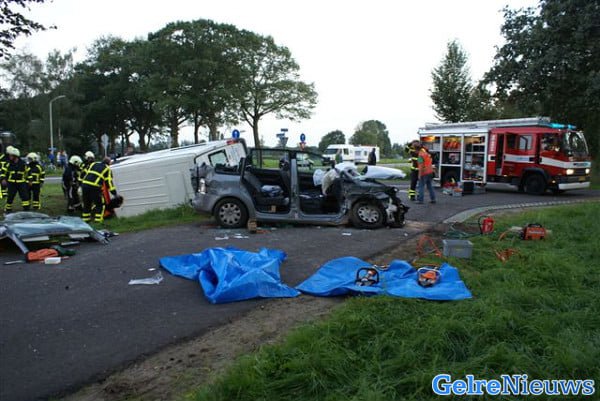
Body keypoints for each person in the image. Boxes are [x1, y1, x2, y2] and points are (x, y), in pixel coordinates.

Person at [80, 156, 118, 223]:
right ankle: (98, 221)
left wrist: (80, 182)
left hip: (85, 185)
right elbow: (109, 182)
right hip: (94, 187)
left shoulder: (93, 164)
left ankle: (86, 220)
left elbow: (84, 172)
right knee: (100, 204)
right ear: (109, 163)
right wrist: (114, 193)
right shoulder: (107, 169)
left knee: (87, 203)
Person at [1, 147, 32, 213]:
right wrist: (3, 179)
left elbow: (29, 172)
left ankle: (26, 209)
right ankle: (8, 209)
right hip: (11, 183)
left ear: (15, 156)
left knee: (24, 196)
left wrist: (30, 180)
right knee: (10, 197)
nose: (9, 157)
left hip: (21, 183)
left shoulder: (23, 164)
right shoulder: (8, 164)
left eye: (11, 155)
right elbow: (3, 172)